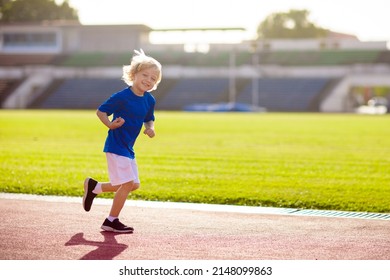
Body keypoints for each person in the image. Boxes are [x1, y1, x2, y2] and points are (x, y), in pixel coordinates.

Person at [83, 49, 162, 233]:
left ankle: (95, 188)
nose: (148, 80)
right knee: (127, 184)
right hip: (116, 145)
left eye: (153, 78)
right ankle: (111, 220)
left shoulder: (149, 100)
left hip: (128, 147)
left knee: (133, 184)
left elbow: (149, 118)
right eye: (145, 75)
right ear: (133, 74)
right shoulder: (122, 96)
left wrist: (150, 128)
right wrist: (110, 125)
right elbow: (101, 111)